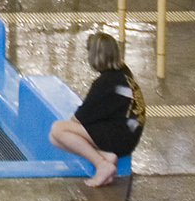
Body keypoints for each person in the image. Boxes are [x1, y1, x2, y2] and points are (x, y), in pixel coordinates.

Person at [47, 29, 145, 188]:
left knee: (58, 129)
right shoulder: (123, 72)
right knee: (54, 138)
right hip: (129, 134)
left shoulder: (105, 84)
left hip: (122, 138)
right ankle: (105, 156)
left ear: (95, 57)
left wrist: (74, 122)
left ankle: (102, 165)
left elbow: (79, 118)